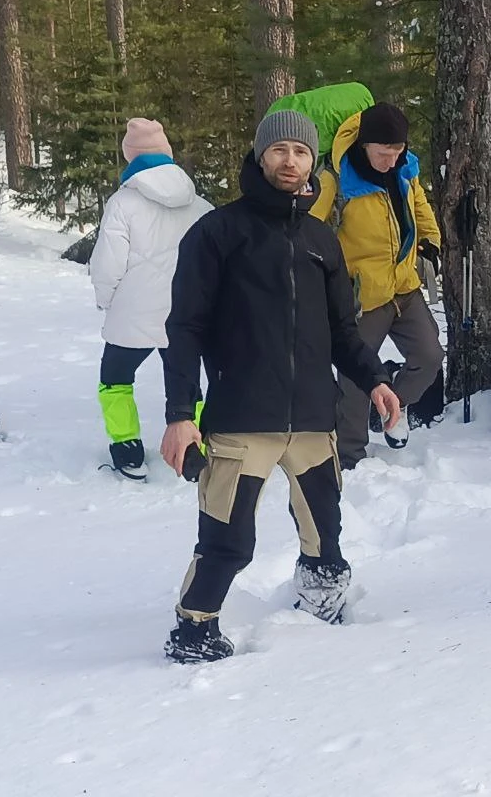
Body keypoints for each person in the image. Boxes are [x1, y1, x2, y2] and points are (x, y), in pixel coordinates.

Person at [159, 109, 401, 664]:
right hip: (242, 419)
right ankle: (194, 630)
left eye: (300, 151)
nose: (290, 161)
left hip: (315, 420)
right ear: (260, 155)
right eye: (279, 150)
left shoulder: (320, 240)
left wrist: (376, 378)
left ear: (313, 161)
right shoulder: (218, 233)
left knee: (326, 532)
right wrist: (180, 412)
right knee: (228, 539)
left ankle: (322, 607)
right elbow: (185, 328)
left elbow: (342, 330)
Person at [311, 102, 443, 470]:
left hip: (404, 285)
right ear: (365, 145)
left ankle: (390, 407)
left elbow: (419, 204)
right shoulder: (335, 179)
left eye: (398, 152)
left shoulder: (405, 168)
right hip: (360, 296)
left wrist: (431, 239)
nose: (391, 160)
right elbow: (308, 230)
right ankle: (349, 453)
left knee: (429, 356)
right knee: (355, 377)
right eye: (384, 154)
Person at [89, 118, 211, 479]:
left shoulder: (123, 202)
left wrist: (107, 299)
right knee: (187, 379)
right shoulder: (201, 204)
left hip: (135, 310)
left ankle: (126, 447)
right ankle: (196, 444)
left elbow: (107, 262)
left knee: (114, 376)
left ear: (130, 158)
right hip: (188, 311)